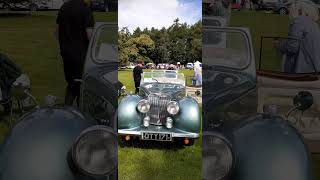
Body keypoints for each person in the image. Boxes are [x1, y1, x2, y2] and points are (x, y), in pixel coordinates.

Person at [55, 0, 95, 106]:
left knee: (71, 82)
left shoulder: (64, 7)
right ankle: (79, 111)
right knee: (81, 83)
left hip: (66, 52)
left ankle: (67, 109)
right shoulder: (85, 9)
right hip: (81, 53)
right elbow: (89, 34)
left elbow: (57, 31)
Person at [273, 0, 320, 73]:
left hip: (302, 71)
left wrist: (279, 45)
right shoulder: (314, 24)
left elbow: (292, 47)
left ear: (300, 10)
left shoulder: (298, 21)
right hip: (314, 68)